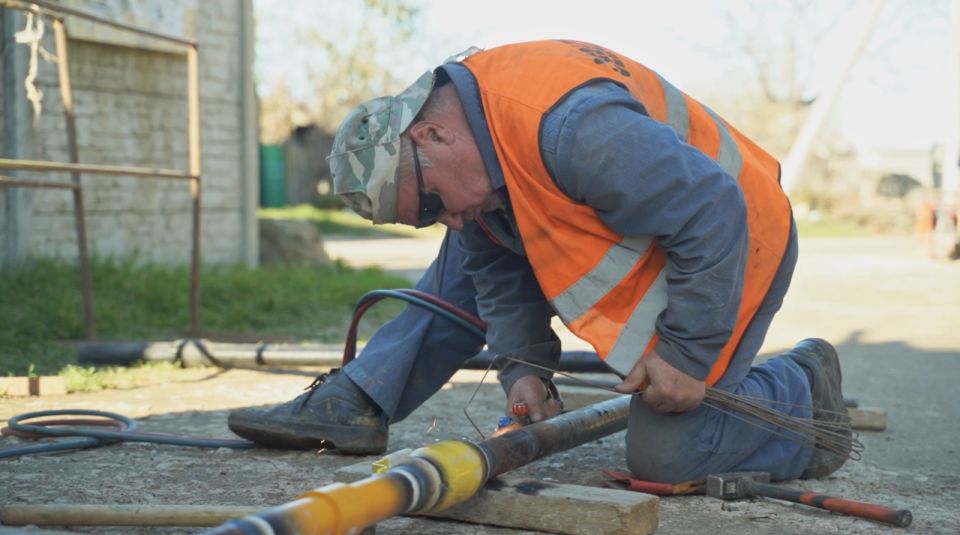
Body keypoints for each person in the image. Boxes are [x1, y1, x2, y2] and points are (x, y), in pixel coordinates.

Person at [229, 40, 851, 482]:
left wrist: (687, 355)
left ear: (431, 134)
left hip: (739, 241)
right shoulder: (476, 153)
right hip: (676, 236)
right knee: (471, 236)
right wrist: (523, 373)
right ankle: (360, 400)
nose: (443, 222)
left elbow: (712, 209)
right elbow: (495, 269)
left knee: (668, 456)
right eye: (424, 219)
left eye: (434, 204)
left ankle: (801, 382)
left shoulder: (571, 129)